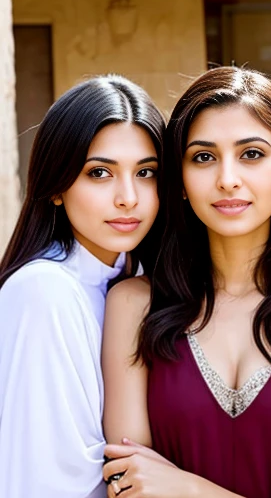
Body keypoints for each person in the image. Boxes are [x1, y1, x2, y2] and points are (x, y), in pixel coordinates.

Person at [101, 66, 271, 498]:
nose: (227, 178)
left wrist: (191, 490)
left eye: (251, 154)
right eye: (203, 157)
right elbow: (131, 485)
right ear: (178, 180)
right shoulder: (132, 306)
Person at [0, 75, 165, 498]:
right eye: (100, 173)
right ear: (56, 186)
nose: (128, 197)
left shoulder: (144, 279)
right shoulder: (43, 292)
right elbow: (43, 483)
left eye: (145, 172)